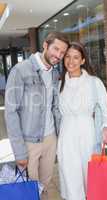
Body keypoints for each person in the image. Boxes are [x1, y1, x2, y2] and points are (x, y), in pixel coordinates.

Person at [5, 32, 69, 200]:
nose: (59, 56)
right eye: (56, 49)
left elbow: (54, 107)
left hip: (50, 138)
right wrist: (19, 151)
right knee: (29, 188)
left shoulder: (55, 74)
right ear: (45, 46)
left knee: (45, 185)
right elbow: (11, 112)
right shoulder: (20, 70)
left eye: (62, 53)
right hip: (29, 142)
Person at [57, 42, 107, 200]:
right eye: (67, 57)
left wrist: (105, 129)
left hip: (88, 137)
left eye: (76, 57)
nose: (71, 61)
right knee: (71, 184)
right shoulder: (59, 84)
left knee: (92, 183)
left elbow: (106, 112)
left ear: (83, 60)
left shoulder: (94, 83)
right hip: (66, 138)